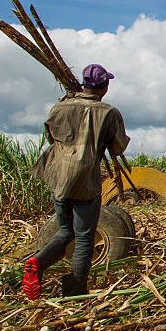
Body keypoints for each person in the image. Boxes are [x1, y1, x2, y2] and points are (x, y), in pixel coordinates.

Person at [24, 64, 130, 299]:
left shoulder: (59, 107)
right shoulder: (108, 112)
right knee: (84, 236)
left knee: (65, 231)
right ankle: (76, 289)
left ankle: (38, 262)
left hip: (58, 177)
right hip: (85, 181)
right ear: (104, 86)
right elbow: (118, 146)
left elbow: (50, 136)